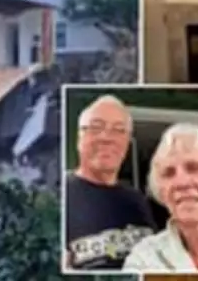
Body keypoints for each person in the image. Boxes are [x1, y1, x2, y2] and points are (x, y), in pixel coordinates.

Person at [64, 95, 157, 271]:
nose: (107, 138)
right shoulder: (59, 195)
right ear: (79, 138)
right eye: (96, 127)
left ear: (127, 143)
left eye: (119, 130)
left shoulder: (137, 201)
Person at [123, 123, 198, 273]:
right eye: (168, 173)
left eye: (194, 168)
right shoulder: (145, 258)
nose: (181, 182)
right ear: (160, 191)